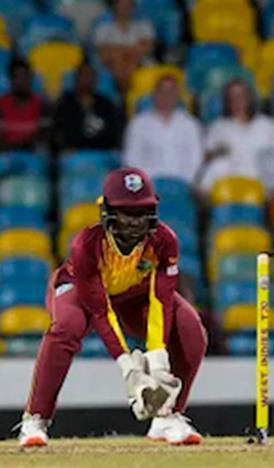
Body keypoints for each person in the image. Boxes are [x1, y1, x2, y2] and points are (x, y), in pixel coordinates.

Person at [16, 168, 207, 447]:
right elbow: (100, 312)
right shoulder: (87, 245)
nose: (135, 222)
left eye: (142, 213)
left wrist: (158, 362)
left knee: (191, 330)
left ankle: (167, 416)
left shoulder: (165, 241)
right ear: (107, 212)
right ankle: (35, 419)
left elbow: (160, 301)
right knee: (66, 328)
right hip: (80, 292)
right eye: (127, 213)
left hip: (133, 295)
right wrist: (128, 366)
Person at [200, 78, 274, 197]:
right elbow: (208, 163)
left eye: (241, 96)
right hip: (227, 192)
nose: (237, 101)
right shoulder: (217, 127)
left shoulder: (268, 126)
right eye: (232, 98)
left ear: (250, 98)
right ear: (227, 101)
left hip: (264, 192)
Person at [123, 75, 203, 185]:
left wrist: (182, 182)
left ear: (177, 96)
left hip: (183, 185)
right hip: (148, 185)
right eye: (163, 92)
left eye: (171, 92)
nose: (167, 96)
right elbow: (132, 159)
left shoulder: (191, 125)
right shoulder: (138, 124)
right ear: (154, 94)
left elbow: (196, 160)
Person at [52, 62, 122, 153]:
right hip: (72, 152)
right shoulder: (65, 103)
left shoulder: (106, 104)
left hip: (101, 151)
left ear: (96, 80)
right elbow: (59, 130)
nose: (86, 80)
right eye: (83, 76)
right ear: (76, 79)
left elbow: (113, 132)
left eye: (90, 77)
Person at [93, 0, 156, 92]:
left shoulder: (145, 26)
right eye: (121, 4)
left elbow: (144, 50)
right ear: (115, 5)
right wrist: (129, 50)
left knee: (127, 64)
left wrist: (119, 51)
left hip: (138, 63)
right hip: (112, 64)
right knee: (117, 63)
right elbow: (103, 53)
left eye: (128, 5)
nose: (125, 8)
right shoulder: (103, 28)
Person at [0, 59, 49, 151]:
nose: (21, 81)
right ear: (11, 80)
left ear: (30, 78)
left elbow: (45, 134)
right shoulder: (2, 103)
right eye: (17, 77)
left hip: (32, 152)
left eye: (25, 76)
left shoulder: (41, 103)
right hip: (6, 153)